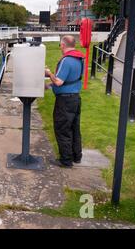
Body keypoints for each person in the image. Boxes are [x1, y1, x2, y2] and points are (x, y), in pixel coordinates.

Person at [45, 35, 85, 168]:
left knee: (63, 129)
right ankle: (76, 156)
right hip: (75, 99)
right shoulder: (79, 59)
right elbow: (71, 79)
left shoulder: (66, 60)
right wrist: (49, 86)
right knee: (74, 128)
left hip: (65, 101)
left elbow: (59, 81)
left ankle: (66, 160)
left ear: (63, 45)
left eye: (60, 45)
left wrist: (49, 73)